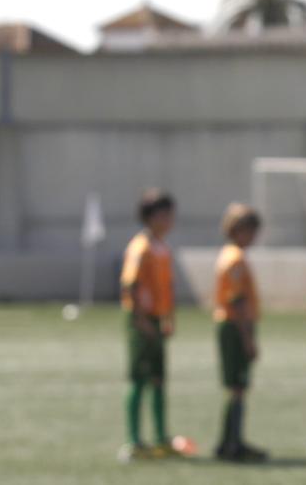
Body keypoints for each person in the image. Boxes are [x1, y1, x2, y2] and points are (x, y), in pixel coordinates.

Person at [118, 189, 181, 461]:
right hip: (140, 321)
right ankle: (133, 442)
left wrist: (167, 319)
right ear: (149, 217)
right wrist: (141, 321)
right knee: (139, 379)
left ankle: (161, 438)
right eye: (162, 215)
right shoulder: (140, 248)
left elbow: (165, 288)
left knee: (158, 379)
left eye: (170, 215)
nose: (168, 220)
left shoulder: (162, 248)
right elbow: (130, 285)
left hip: (156, 320)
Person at [212, 203, 269, 463]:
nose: (254, 237)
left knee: (237, 387)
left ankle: (230, 441)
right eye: (250, 231)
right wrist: (248, 338)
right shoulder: (235, 258)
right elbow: (236, 301)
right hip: (235, 327)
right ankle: (231, 443)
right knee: (237, 386)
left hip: (233, 325)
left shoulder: (231, 255)